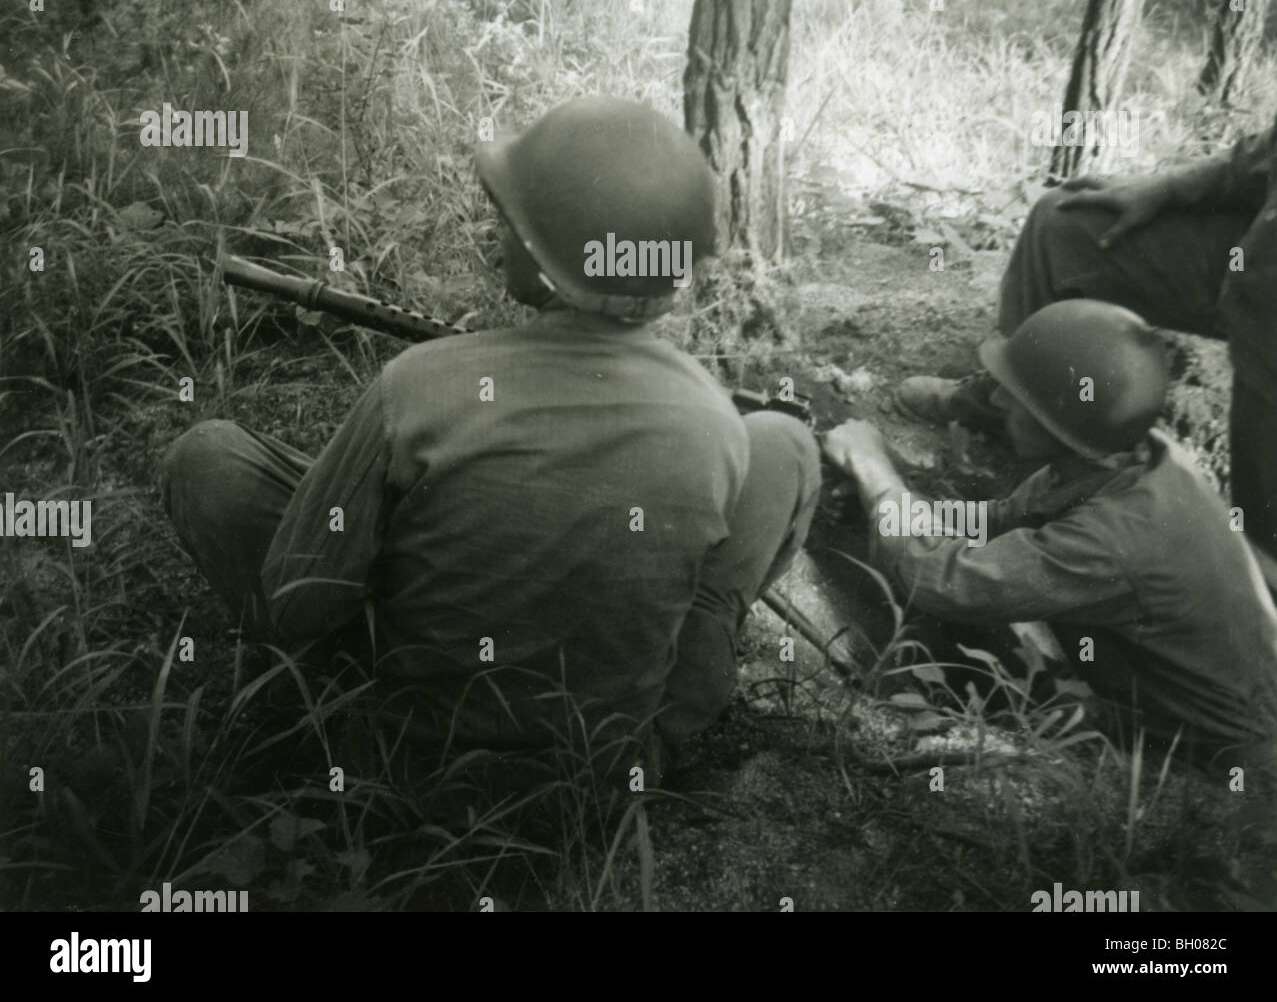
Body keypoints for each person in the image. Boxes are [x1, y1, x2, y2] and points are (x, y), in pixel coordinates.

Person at [162, 97, 820, 772]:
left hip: (396, 757)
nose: (495, 232)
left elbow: (297, 603)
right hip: (608, 767)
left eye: (512, 222)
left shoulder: (419, 383)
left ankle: (315, 705)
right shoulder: (713, 420)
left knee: (209, 457)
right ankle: (680, 712)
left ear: (542, 263)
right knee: (785, 441)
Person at [825, 300, 1277, 776]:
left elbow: (945, 582)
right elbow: (998, 522)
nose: (997, 402)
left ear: (1061, 421)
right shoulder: (1121, 459)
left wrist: (875, 471)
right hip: (1175, 710)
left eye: (1017, 395)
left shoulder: (1118, 536)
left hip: (1226, 762)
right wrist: (886, 508)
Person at [897, 114, 1277, 566]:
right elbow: (1266, 152)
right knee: (1065, 223)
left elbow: (953, 588)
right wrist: (1168, 188)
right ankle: (1020, 405)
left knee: (1260, 539)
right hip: (1257, 254)